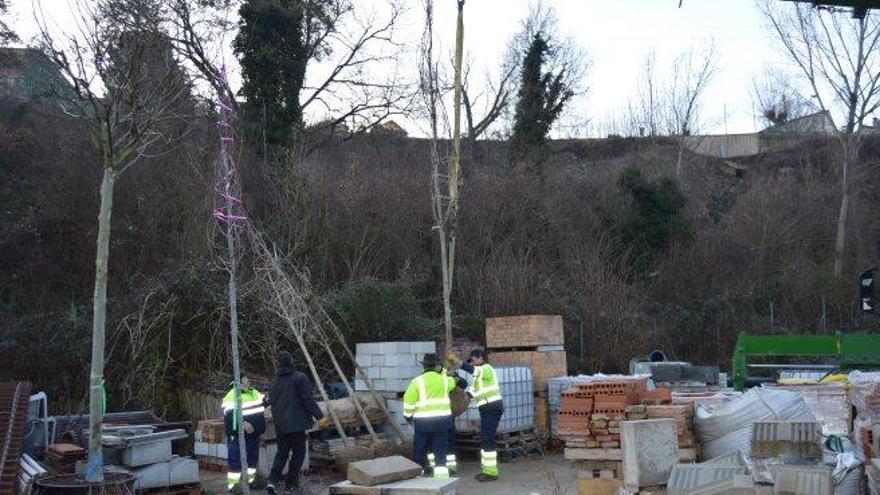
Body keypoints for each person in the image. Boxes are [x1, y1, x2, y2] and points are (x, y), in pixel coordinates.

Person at [266, 351, 328, 495]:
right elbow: (308, 399)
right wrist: (320, 417)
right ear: (291, 362)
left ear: (279, 364)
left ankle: (272, 482)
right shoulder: (299, 377)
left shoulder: (274, 382)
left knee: (281, 454)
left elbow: (272, 403)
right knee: (298, 454)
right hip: (297, 426)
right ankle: (290, 485)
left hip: (281, 426)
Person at [403, 353, 465, 479]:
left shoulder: (416, 382)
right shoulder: (445, 380)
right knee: (440, 452)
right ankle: (441, 482)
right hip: (443, 422)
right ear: (437, 366)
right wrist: (445, 371)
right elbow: (456, 383)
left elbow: (408, 401)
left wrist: (408, 417)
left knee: (419, 449)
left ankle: (417, 479)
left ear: (424, 366)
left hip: (423, 423)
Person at [460, 348, 504, 482]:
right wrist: (464, 392)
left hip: (491, 407)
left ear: (480, 358)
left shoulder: (486, 369)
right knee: (486, 439)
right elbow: (473, 391)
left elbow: (475, 370)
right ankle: (487, 470)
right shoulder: (478, 376)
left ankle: (491, 472)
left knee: (487, 439)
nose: (472, 363)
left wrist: (460, 364)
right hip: (487, 408)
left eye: (473, 360)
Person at [222, 373, 267, 494]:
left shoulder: (254, 392)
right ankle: (234, 487)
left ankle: (251, 482)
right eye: (246, 378)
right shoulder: (232, 395)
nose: (248, 380)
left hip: (254, 435)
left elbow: (263, 404)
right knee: (235, 462)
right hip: (238, 436)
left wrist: (260, 430)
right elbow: (229, 416)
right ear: (240, 381)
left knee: (252, 461)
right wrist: (242, 424)